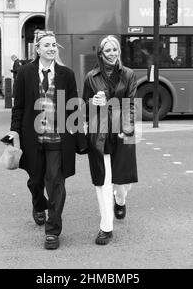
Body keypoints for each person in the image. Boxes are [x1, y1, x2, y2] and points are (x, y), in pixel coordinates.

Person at [7, 31, 87, 250]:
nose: (52, 48)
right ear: (38, 49)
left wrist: (80, 136)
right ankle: (37, 203)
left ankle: (52, 231)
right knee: (35, 181)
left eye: (54, 45)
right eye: (47, 45)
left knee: (56, 183)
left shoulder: (66, 74)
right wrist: (14, 132)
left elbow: (73, 106)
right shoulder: (24, 73)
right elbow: (19, 107)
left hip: (58, 140)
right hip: (32, 138)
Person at [82, 35, 138, 245]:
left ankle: (120, 199)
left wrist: (128, 126)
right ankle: (106, 227)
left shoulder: (129, 74)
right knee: (103, 180)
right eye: (108, 50)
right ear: (101, 54)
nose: (113, 54)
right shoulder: (91, 77)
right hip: (100, 131)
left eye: (115, 50)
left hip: (123, 129)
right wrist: (92, 101)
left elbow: (131, 103)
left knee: (122, 181)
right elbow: (83, 108)